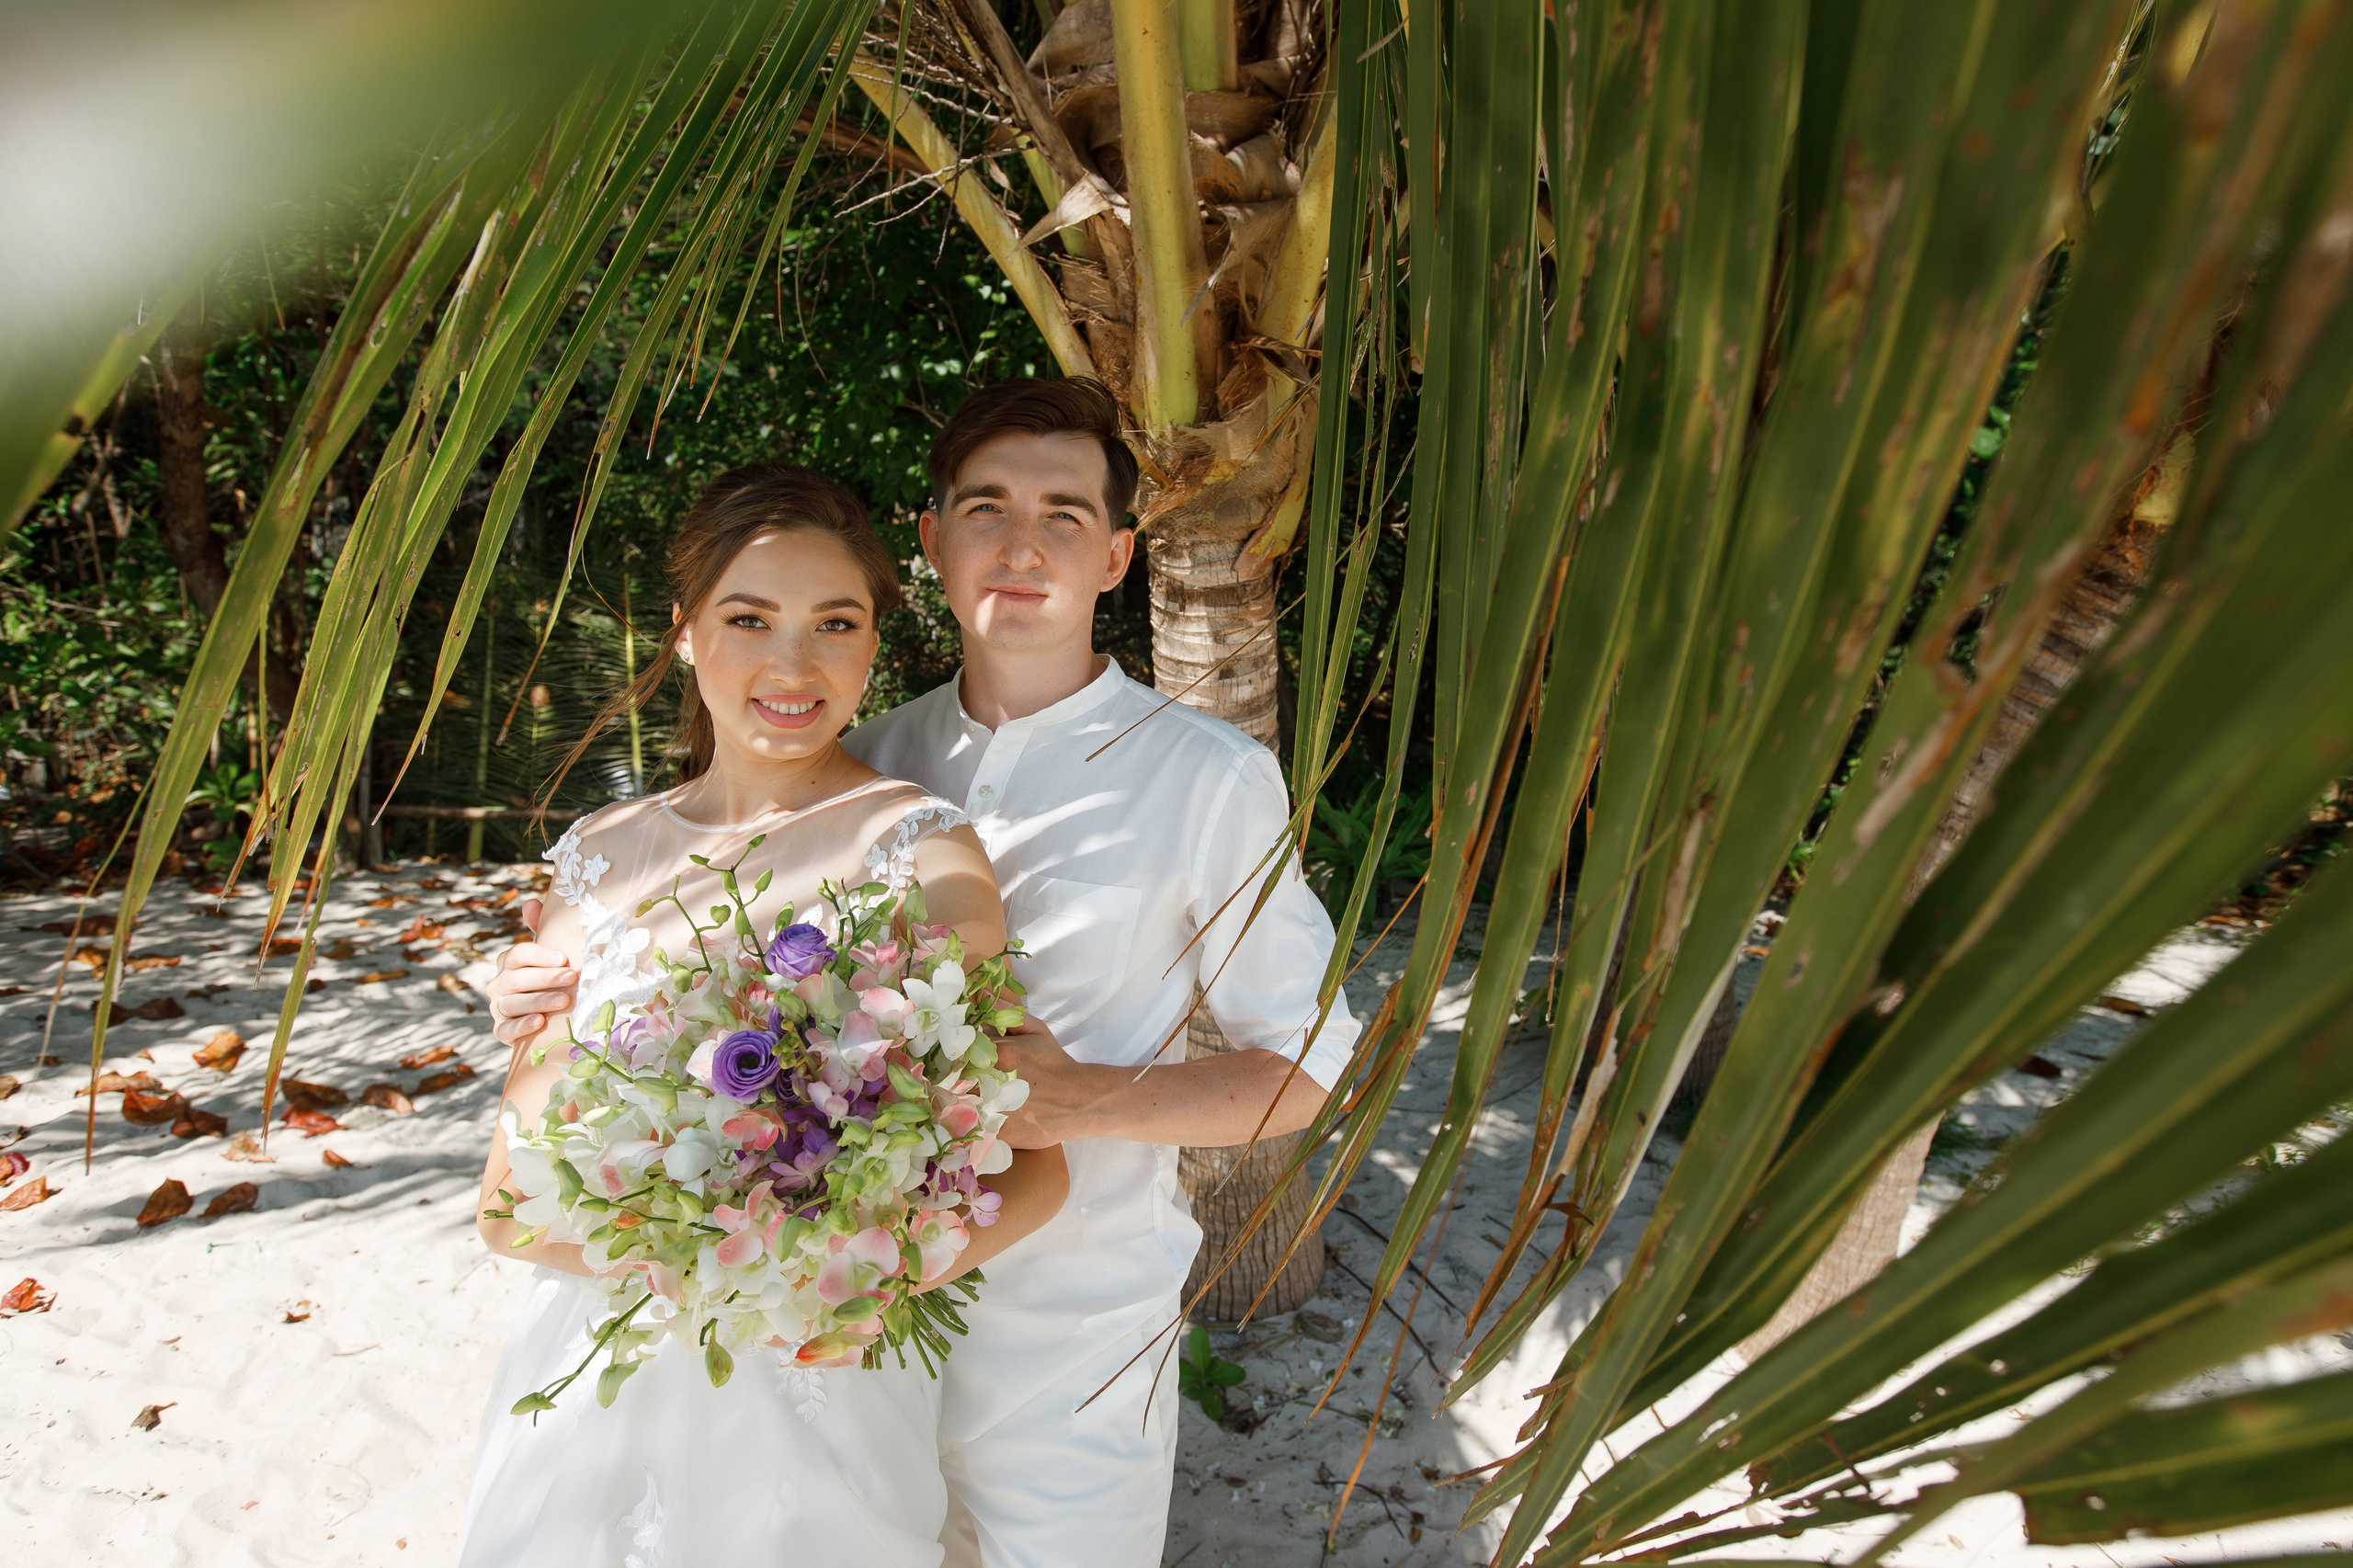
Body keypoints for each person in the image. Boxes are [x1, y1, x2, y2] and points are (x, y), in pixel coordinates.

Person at [485, 378, 1359, 1567]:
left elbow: (1308, 1068)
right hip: (833, 1342)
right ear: (931, 539)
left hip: (1066, 1329)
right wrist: (560, 998)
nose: (1020, 543)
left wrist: (1093, 1098)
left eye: (1063, 515)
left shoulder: (1205, 774)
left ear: (1116, 557)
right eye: (986, 506)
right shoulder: (865, 754)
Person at [456, 464, 1069, 1568]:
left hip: (821, 1391)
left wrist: (829, 1283)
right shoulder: (599, 856)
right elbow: (508, 1200)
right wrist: (699, 1271)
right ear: (686, 633)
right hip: (596, 1376)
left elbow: (1032, 1171)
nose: (793, 665)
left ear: (876, 643)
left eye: (836, 622)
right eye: (750, 618)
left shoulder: (918, 852)